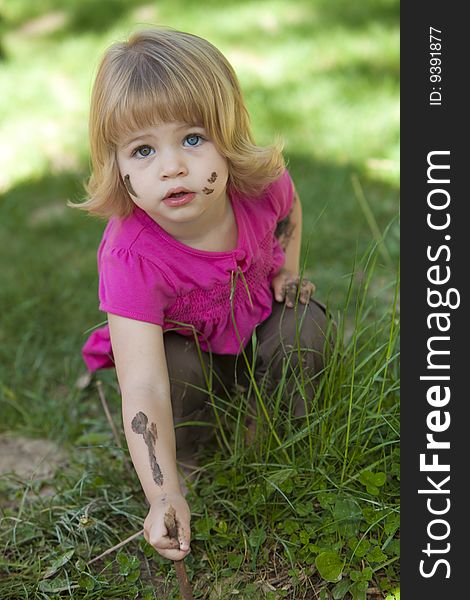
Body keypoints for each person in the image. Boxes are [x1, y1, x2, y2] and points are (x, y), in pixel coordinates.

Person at [71, 28, 331, 562]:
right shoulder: (131, 254)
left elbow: (290, 209)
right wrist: (161, 492)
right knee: (175, 366)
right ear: (116, 167)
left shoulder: (259, 187)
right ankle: (187, 458)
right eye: (143, 150)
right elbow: (143, 383)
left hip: (250, 326)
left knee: (303, 324)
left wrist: (290, 269)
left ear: (229, 137)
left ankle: (272, 441)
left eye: (192, 139)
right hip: (184, 360)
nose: (171, 167)